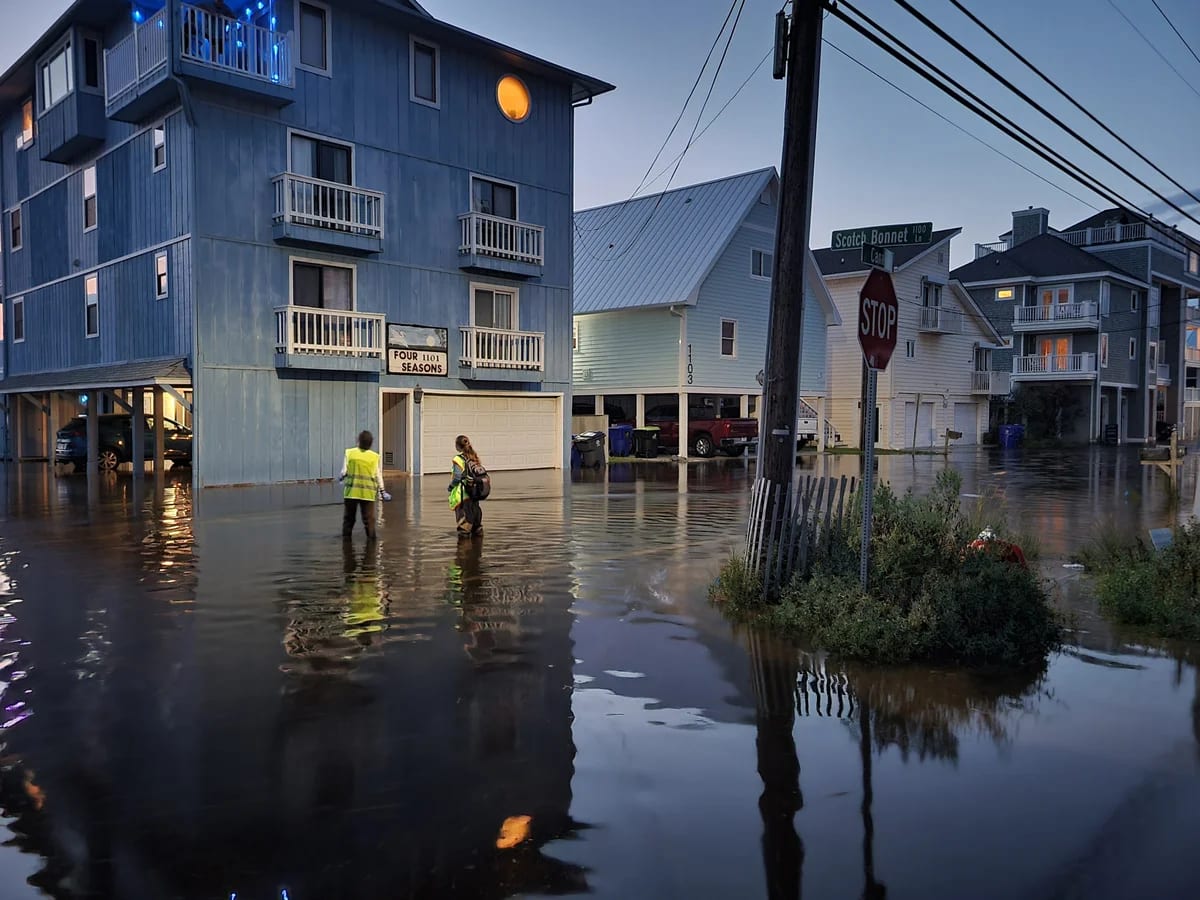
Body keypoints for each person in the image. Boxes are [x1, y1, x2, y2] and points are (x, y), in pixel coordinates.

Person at [340, 430, 384, 539]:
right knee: (369, 521)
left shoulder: (350, 453)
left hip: (351, 493)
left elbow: (344, 472)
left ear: (358, 441)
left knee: (349, 519)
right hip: (367, 493)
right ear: (370, 443)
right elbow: (378, 475)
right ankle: (372, 545)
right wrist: (382, 490)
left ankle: (346, 543)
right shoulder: (374, 457)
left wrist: (342, 477)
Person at [448, 434, 484, 537]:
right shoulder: (474, 457)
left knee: (464, 529)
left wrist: (451, 487)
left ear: (457, 446)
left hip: (463, 496)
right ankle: (477, 551)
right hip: (474, 495)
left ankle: (464, 551)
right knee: (477, 529)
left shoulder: (458, 459)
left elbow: (457, 478)